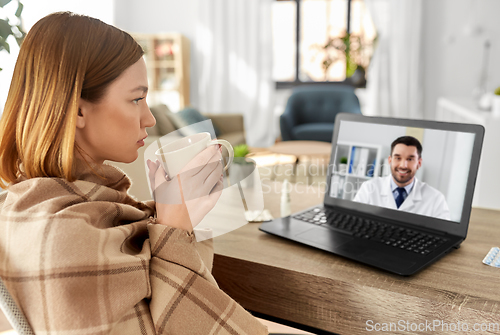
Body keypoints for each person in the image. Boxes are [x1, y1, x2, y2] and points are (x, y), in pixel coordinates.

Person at [0, 12, 268, 334]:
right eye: (137, 98)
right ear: (78, 109)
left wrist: (170, 220)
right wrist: (173, 228)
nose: (150, 119)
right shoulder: (63, 238)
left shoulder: (31, 205)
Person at [353, 136, 451, 220]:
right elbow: (354, 220)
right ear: (390, 160)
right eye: (398, 158)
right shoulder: (369, 188)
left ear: (419, 163)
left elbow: (446, 234)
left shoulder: (436, 199)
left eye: (410, 159)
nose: (403, 165)